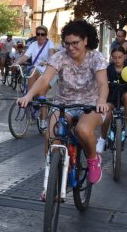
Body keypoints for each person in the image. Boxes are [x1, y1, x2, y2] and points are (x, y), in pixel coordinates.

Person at [18, 19, 109, 191]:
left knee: (83, 130)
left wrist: (102, 101)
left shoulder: (96, 57)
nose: (71, 48)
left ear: (85, 41)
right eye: (67, 44)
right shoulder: (60, 56)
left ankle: (92, 159)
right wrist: (29, 95)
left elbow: (103, 83)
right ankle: (50, 185)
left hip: (90, 105)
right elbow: (45, 79)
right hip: (63, 104)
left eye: (75, 43)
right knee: (51, 138)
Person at [96, 46, 127, 153]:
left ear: (125, 57)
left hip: (123, 97)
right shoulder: (108, 69)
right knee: (107, 112)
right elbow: (101, 82)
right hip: (111, 97)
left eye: (120, 57)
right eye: (115, 57)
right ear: (111, 58)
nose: (117, 60)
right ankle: (102, 138)